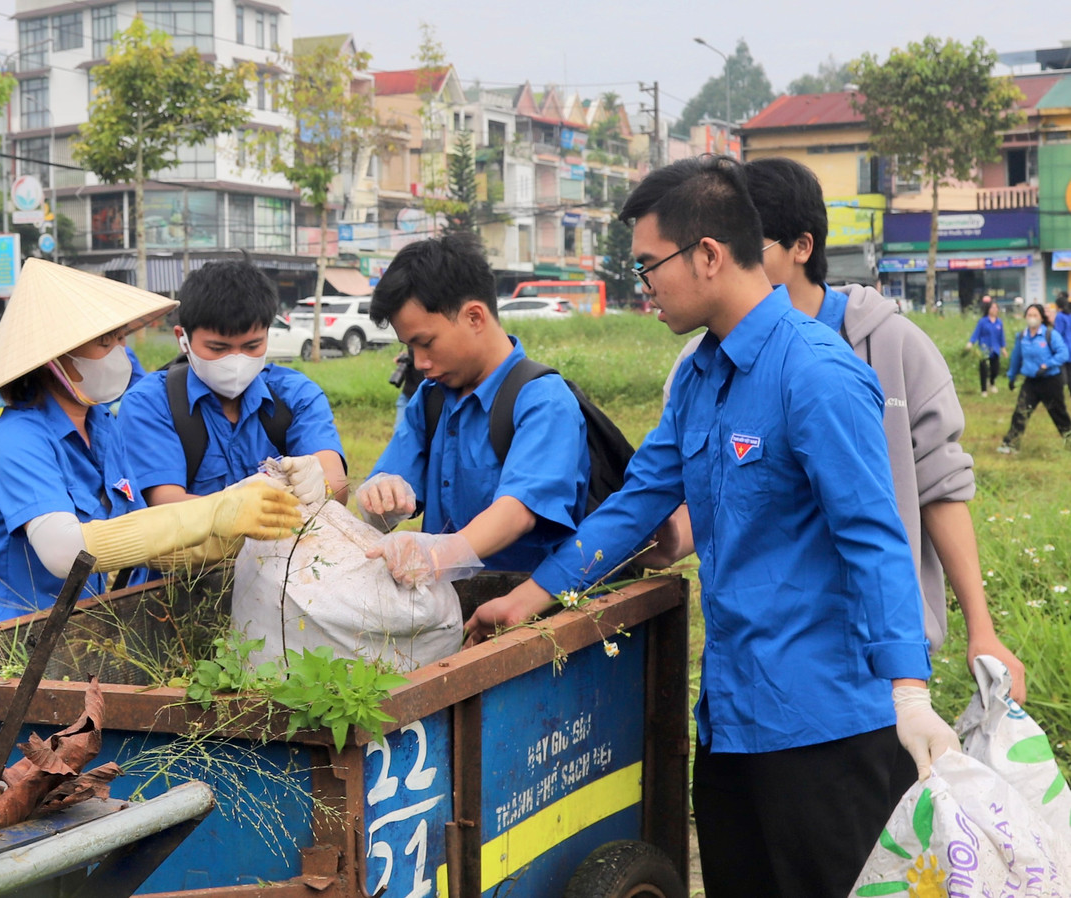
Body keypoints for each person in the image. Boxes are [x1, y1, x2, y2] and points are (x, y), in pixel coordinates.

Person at [467, 157, 958, 898]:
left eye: (647, 265)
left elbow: (875, 537)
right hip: (732, 720)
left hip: (827, 729)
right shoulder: (700, 375)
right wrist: (528, 598)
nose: (644, 286)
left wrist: (910, 693)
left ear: (708, 254)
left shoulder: (815, 373)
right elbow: (638, 502)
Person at [652, 157, 1024, 700]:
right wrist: (668, 539)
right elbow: (707, 495)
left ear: (802, 247)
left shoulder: (891, 345)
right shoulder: (699, 365)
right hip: (769, 661)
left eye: (752, 243)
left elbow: (939, 489)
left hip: (884, 654)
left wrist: (981, 630)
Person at [0, 259, 303, 632]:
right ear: (54, 360)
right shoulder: (17, 440)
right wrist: (214, 512)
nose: (120, 353)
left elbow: (135, 533)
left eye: (120, 339)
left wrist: (248, 537)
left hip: (70, 630)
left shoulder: (102, 427)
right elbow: (63, 551)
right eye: (105, 342)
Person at [357, 232, 591, 585]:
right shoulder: (431, 399)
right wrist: (380, 496)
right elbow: (392, 485)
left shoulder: (543, 402)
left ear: (475, 317)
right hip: (442, 613)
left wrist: (438, 555)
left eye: (426, 343)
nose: (419, 362)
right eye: (410, 348)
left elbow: (518, 512)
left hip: (525, 615)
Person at [114, 258, 348, 510]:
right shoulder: (150, 404)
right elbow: (166, 503)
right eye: (218, 348)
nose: (237, 360)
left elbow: (336, 485)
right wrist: (241, 508)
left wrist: (320, 486)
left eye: (252, 346)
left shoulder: (297, 395)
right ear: (183, 339)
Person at [998, 302, 1071, 454]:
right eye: (1029, 315)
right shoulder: (1022, 336)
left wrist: (1047, 365)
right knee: (1021, 411)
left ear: (1041, 318)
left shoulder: (1049, 334)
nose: (1032, 318)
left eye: (1035, 315)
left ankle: (1069, 440)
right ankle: (1011, 444)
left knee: (1058, 413)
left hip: (1050, 380)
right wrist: (1012, 376)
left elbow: (1063, 353)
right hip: (1031, 381)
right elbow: (1016, 358)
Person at [967, 300, 1006, 397]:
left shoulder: (999, 322)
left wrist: (1003, 348)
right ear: (988, 309)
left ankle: (992, 383)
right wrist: (971, 343)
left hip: (995, 349)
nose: (994, 310)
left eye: (996, 308)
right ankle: (983, 390)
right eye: (992, 308)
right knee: (983, 369)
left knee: (995, 369)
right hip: (984, 349)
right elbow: (976, 333)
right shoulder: (983, 322)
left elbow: (1001, 336)